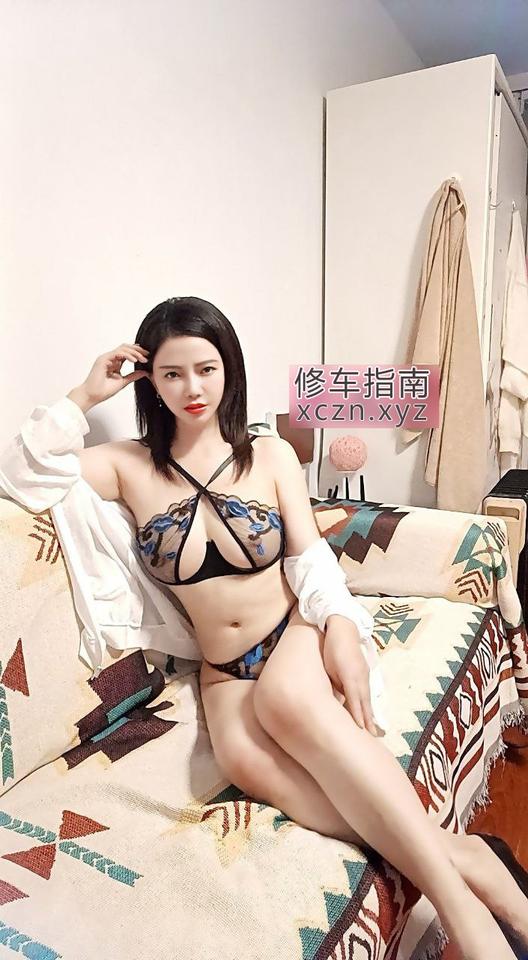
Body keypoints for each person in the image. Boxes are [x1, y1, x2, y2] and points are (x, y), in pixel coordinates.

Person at [24, 297, 528, 958]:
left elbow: (309, 556)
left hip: (293, 628)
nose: (192, 387)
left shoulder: (267, 454)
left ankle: (464, 916)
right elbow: (23, 473)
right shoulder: (127, 464)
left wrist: (340, 627)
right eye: (172, 373)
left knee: (286, 700)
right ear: (148, 381)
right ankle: (470, 858)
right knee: (242, 757)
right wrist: (87, 393)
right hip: (220, 668)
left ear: (229, 369)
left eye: (206, 368)